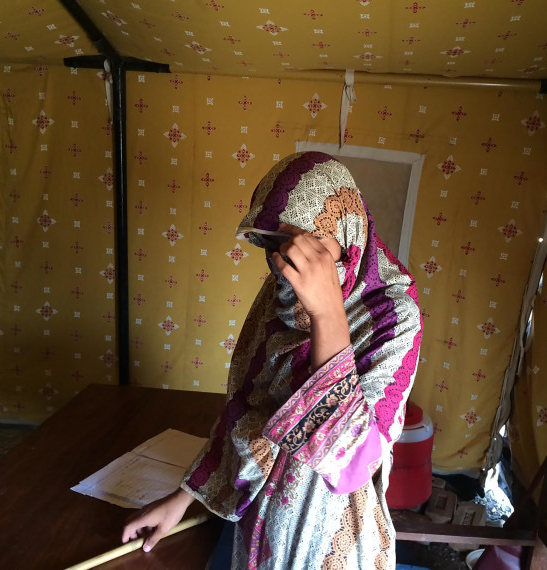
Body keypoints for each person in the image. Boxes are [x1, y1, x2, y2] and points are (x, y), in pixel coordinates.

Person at [122, 151, 423, 569]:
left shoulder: (392, 313)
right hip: (261, 530)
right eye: (272, 244)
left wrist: (327, 315)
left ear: (345, 228)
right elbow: (248, 410)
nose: (288, 265)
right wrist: (183, 500)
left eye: (305, 246)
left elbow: (353, 463)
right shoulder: (280, 295)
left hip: (331, 542)